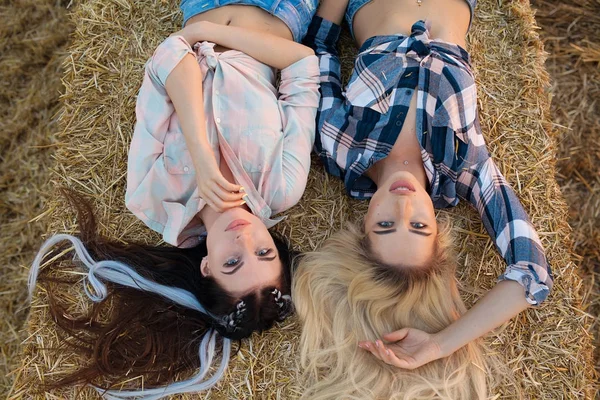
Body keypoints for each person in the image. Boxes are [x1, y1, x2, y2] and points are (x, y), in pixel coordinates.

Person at [27, 1, 319, 398]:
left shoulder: (151, 196)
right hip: (282, 12)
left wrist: (201, 158)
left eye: (232, 262)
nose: (245, 240)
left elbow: (167, 58)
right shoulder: (282, 188)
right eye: (265, 253)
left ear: (205, 267)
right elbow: (302, 65)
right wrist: (212, 36)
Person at [292, 0, 552, 398]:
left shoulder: (339, 147)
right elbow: (530, 272)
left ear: (363, 227)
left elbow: (319, 51)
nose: (404, 204)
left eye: (385, 225)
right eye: (419, 226)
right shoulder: (466, 168)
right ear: (437, 230)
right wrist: (439, 344)